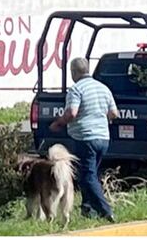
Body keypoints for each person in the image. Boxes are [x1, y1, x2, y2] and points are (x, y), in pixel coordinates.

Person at [49, 56, 119, 222]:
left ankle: (106, 211)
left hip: (85, 137)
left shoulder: (76, 89)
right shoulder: (103, 88)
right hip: (103, 138)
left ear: (73, 72)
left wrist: (58, 123)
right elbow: (114, 113)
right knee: (91, 174)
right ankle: (88, 210)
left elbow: (72, 112)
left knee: (87, 176)